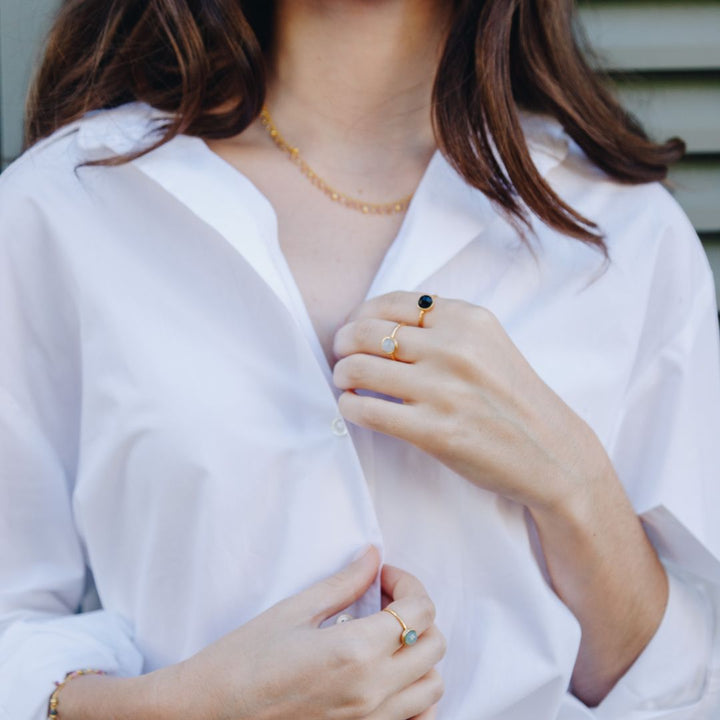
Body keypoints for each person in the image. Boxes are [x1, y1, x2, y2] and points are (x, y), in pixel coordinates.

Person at [0, 0, 719, 718]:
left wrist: (576, 487)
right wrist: (175, 710)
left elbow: (685, 687)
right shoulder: (64, 206)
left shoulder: (625, 236)